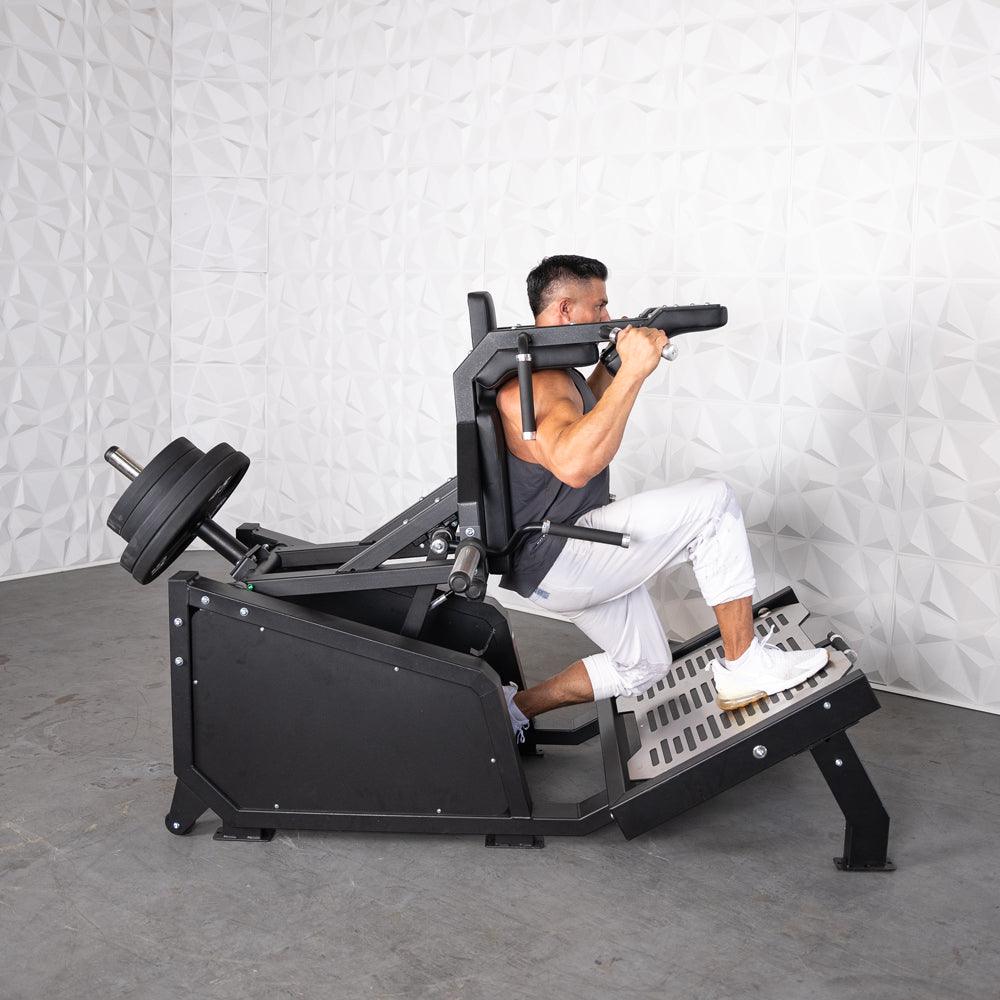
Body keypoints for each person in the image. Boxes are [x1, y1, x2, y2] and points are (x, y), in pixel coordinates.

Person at [496, 254, 827, 740]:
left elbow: (579, 416)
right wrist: (633, 372)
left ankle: (512, 710)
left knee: (644, 665)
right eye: (599, 306)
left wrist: (612, 367)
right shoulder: (538, 384)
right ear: (565, 310)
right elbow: (574, 463)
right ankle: (744, 664)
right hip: (564, 550)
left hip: (551, 562)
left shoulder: (549, 372)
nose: (608, 316)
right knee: (713, 504)